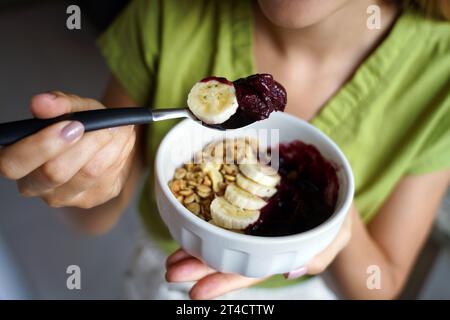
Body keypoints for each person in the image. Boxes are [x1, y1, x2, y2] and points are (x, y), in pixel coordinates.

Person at [0, 0, 449, 299]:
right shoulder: (166, 13)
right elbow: (95, 215)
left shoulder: (438, 78)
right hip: (167, 282)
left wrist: (336, 222)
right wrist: (79, 171)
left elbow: (379, 287)